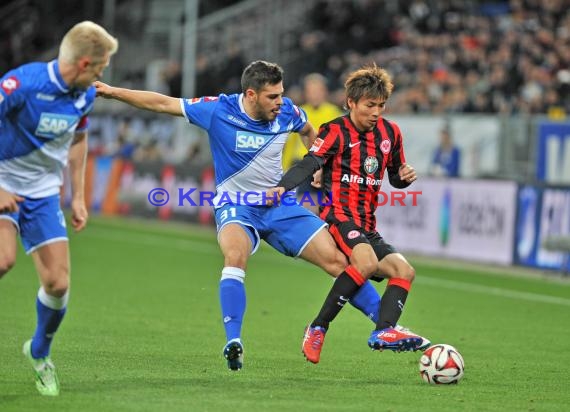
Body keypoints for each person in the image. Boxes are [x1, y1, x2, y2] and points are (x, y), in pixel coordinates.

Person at [94, 61, 402, 371]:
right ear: (251, 95)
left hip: (281, 206)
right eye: (272, 97)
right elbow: (163, 103)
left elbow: (310, 131)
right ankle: (233, 341)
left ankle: (386, 327)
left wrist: (320, 167)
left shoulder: (288, 112)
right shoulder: (218, 110)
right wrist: (113, 92)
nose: (280, 102)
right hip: (237, 205)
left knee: (338, 261)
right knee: (235, 256)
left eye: (281, 94)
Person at [271, 64, 429, 364]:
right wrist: (282, 187)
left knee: (404, 271)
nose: (376, 112)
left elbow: (394, 175)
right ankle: (318, 327)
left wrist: (404, 177)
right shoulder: (334, 131)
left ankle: (383, 331)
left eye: (381, 106)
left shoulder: (391, 133)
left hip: (367, 224)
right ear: (351, 102)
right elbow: (309, 163)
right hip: (338, 215)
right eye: (370, 105)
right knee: (366, 262)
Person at [0, 21, 118, 396]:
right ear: (84, 64)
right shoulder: (23, 84)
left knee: (58, 283)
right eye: (100, 67)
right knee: (2, 260)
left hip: (43, 192)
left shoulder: (84, 96)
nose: (102, 75)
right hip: (3, 180)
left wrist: (79, 196)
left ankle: (39, 352)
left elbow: (79, 139)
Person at [282, 73, 343, 213]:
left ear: (325, 92)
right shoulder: (299, 114)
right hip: (303, 166)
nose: (314, 95)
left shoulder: (333, 113)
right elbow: (290, 144)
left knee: (328, 209)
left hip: (327, 167)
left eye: (318, 91)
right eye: (311, 91)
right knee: (306, 207)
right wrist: (284, 168)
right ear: (306, 94)